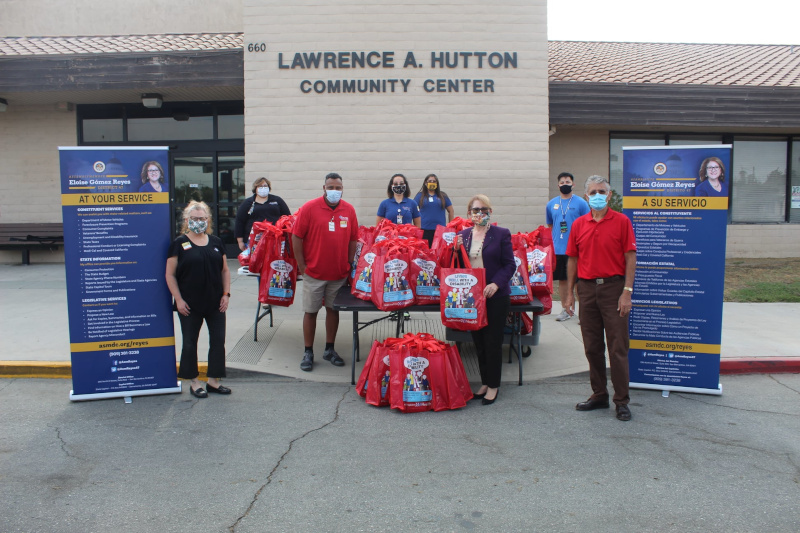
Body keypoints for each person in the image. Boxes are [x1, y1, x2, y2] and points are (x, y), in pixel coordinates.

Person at [564, 175, 636, 421]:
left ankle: (621, 400)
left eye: (602, 191)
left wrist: (627, 292)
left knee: (617, 347)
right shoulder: (579, 224)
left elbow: (630, 257)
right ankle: (599, 395)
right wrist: (569, 294)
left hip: (613, 289)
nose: (597, 195)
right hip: (586, 290)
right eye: (593, 191)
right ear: (586, 196)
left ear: (609, 194)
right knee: (592, 347)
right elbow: (572, 259)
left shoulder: (622, 221)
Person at [292, 172, 359, 372]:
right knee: (311, 312)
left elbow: (353, 239)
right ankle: (308, 351)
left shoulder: (349, 210)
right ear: (324, 188)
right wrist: (302, 267)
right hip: (314, 273)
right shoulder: (309, 208)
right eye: (330, 187)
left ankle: (329, 349)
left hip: (338, 274)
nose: (334, 191)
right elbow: (296, 237)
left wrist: (348, 264)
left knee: (333, 311)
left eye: (338, 188)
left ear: (342, 189)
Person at [165, 200, 231, 398]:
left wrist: (226, 294)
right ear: (187, 220)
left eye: (202, 218)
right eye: (194, 218)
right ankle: (194, 381)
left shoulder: (216, 242)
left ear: (208, 220)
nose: (198, 222)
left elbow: (225, 270)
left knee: (218, 341)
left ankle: (213, 381)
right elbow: (170, 275)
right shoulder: (179, 244)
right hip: (189, 304)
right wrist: (178, 299)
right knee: (190, 342)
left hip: (215, 303)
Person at [456, 194, 516, 406]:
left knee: (492, 341)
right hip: (473, 297)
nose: (479, 213)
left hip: (495, 295)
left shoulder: (501, 234)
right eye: (475, 210)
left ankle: (493, 385)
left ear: (490, 212)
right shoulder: (463, 235)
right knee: (479, 341)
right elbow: (458, 266)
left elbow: (510, 265)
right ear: (469, 214)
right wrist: (454, 252)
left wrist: (496, 284)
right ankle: (484, 381)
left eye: (484, 209)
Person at [546, 172, 590, 322]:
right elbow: (551, 224)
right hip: (558, 249)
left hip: (577, 250)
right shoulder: (551, 204)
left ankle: (583, 314)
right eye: (562, 182)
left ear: (573, 184)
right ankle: (566, 310)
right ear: (558, 185)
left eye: (568, 182)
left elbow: (588, 224)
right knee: (563, 281)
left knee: (578, 281)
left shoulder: (581, 203)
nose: (565, 184)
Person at [234, 176, 291, 251]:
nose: (263, 188)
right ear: (256, 188)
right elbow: (239, 221)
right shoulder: (248, 203)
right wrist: (240, 241)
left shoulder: (277, 200)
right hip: (253, 240)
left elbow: (287, 217)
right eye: (260, 186)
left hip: (275, 239)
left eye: (265, 186)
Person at [413, 173, 454, 246]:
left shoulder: (442, 196)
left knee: (439, 253)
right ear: (425, 183)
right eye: (430, 181)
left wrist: (450, 226)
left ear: (437, 183)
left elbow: (451, 210)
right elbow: (413, 210)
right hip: (424, 230)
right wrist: (416, 227)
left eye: (434, 181)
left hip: (440, 230)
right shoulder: (420, 196)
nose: (432, 183)